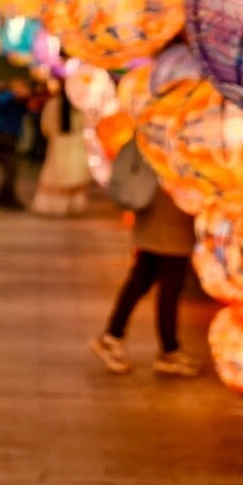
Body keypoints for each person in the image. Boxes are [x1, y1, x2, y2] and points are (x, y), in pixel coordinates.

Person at [90, 155, 201, 377]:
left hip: (155, 212)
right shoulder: (171, 140)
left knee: (142, 278)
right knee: (168, 286)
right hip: (170, 216)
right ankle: (169, 351)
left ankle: (112, 337)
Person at [31, 87, 93, 216]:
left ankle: (56, 206)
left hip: (57, 145)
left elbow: (45, 127)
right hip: (77, 146)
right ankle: (74, 206)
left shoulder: (52, 104)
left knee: (56, 177)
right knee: (75, 177)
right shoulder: (81, 105)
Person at [0, 79, 31, 210]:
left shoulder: (19, 102)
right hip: (2, 136)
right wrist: (15, 93)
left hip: (10, 137)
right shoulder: (4, 97)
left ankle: (3, 197)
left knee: (11, 170)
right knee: (11, 170)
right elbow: (0, 103)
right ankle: (5, 198)